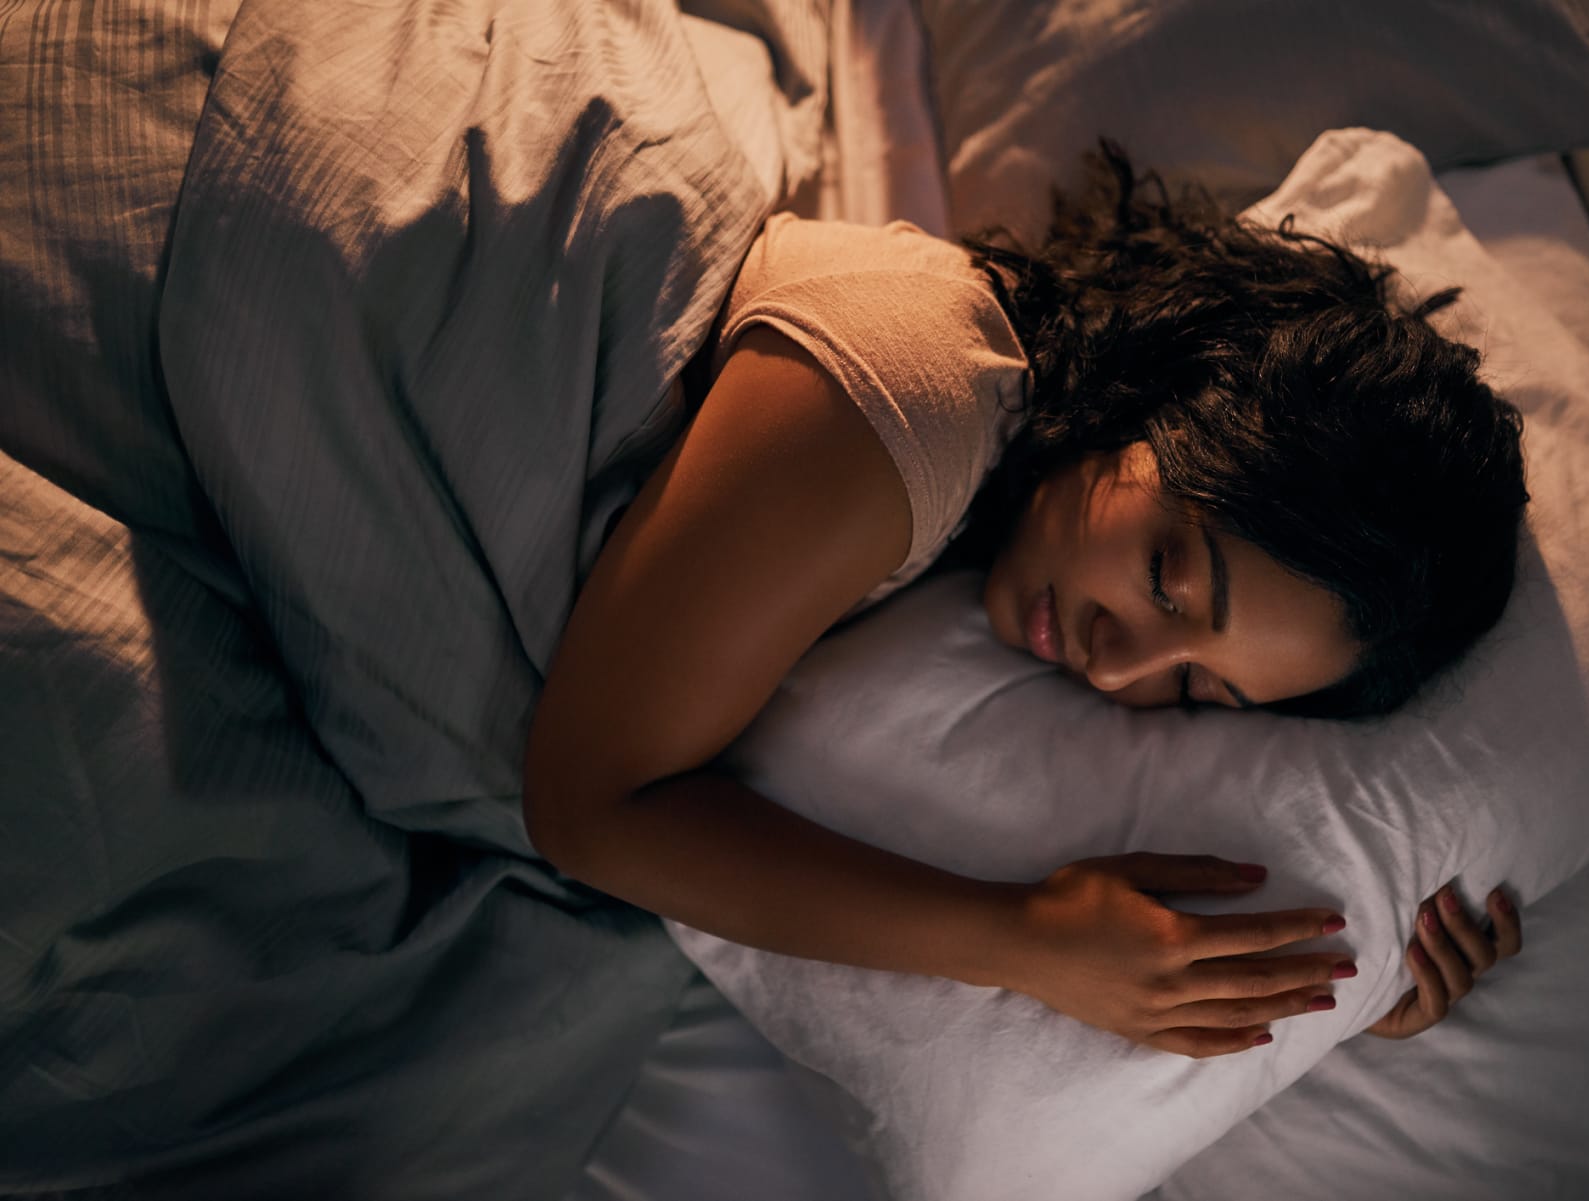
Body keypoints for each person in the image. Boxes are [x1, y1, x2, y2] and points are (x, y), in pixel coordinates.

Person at [524, 145, 1529, 1059]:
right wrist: (1023, 940)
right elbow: (588, 811)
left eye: (1194, 687)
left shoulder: (988, 496)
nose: (1116, 662)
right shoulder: (917, 392)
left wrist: (1347, 999)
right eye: (1167, 577)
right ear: (1164, 396)